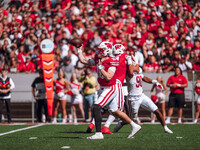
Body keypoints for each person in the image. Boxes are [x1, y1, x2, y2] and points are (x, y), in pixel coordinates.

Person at [78, 41, 141, 139]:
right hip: (104, 87)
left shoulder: (112, 61)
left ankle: (98, 134)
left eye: (101, 50)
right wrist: (79, 50)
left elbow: (108, 77)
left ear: (106, 51)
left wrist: (100, 68)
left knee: (96, 107)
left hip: (110, 87)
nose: (99, 51)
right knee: (115, 111)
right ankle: (135, 125)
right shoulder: (98, 59)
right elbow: (84, 61)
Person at [113, 68, 173, 134]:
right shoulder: (127, 72)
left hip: (141, 95)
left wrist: (155, 82)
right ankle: (119, 125)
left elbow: (144, 78)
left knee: (156, 110)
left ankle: (165, 128)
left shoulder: (138, 69)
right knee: (130, 119)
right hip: (132, 98)